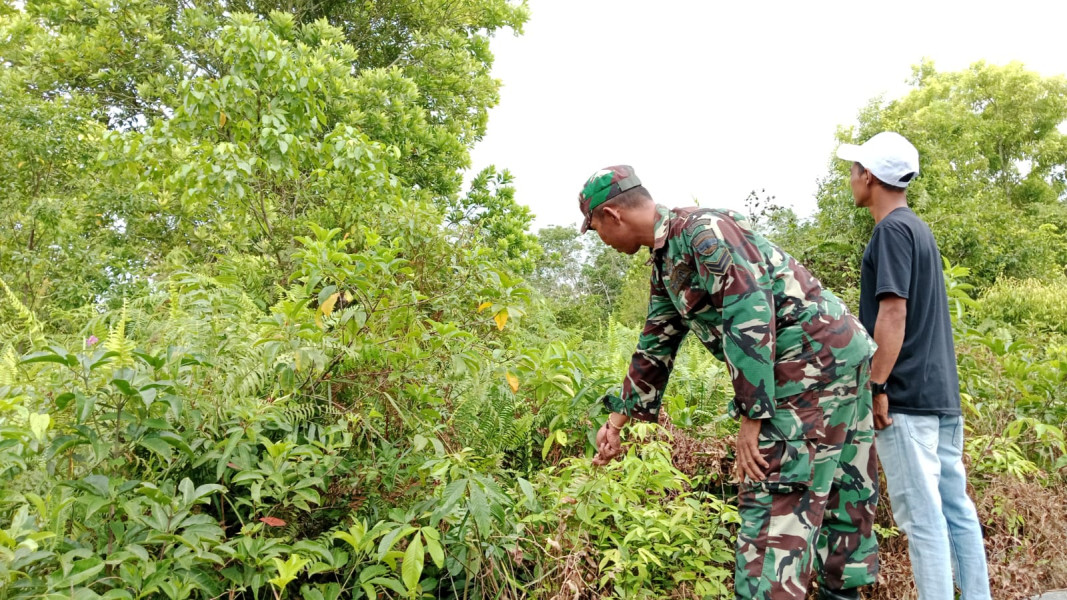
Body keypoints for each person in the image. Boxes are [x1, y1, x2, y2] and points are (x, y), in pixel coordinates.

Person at [579, 166, 878, 600]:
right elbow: (654, 346)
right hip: (836, 359)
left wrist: (752, 417)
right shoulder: (667, 259)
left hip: (807, 367)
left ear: (612, 214)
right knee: (841, 492)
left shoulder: (704, 232)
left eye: (595, 228)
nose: (600, 240)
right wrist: (617, 421)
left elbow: (749, 314)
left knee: (775, 501)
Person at [836, 132, 992, 600]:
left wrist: (878, 384)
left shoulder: (890, 232)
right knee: (955, 510)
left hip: (904, 400)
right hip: (941, 396)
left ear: (870, 176)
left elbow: (893, 312)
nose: (850, 176)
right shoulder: (919, 229)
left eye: (854, 168)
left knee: (922, 519)